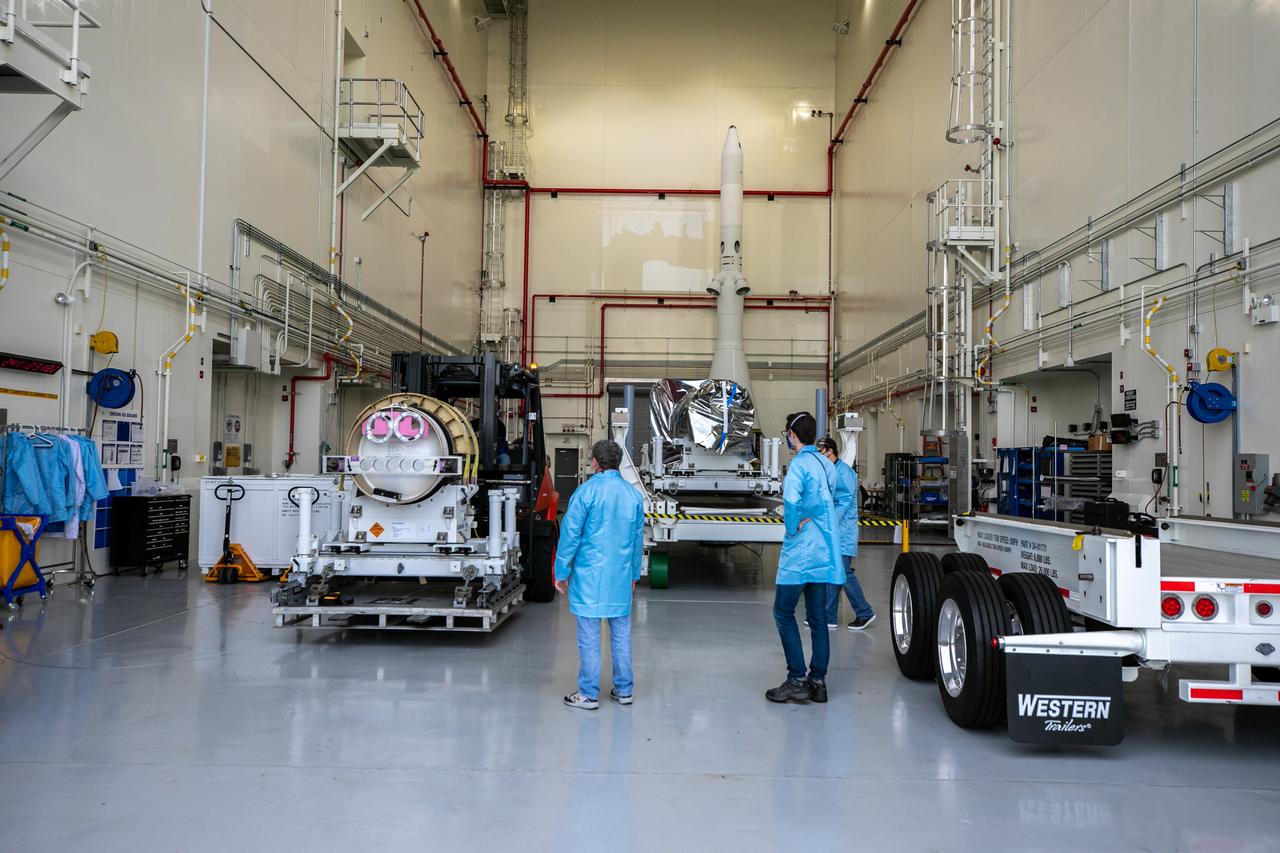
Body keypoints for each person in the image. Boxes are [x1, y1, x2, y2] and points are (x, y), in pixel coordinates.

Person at [554, 439, 646, 710]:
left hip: (589, 577)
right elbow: (637, 539)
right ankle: (624, 689)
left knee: (590, 636)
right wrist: (633, 575)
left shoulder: (585, 492)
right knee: (621, 635)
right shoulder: (633, 495)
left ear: (595, 461)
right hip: (620, 576)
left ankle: (588, 693)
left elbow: (570, 535)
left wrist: (561, 571)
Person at [766, 412, 845, 704]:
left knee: (783, 612)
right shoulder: (827, 464)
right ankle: (818, 681)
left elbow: (790, 500)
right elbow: (832, 496)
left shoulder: (798, 465)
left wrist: (793, 524)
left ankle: (796, 678)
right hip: (825, 549)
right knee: (818, 618)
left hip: (802, 551)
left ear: (792, 434)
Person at [817, 435, 876, 631]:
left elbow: (842, 504)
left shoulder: (845, 474)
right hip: (835, 532)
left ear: (830, 452)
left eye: (821, 453)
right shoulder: (832, 471)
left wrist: (825, 521)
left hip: (842, 533)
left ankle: (865, 612)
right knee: (834, 573)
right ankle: (829, 617)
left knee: (843, 573)